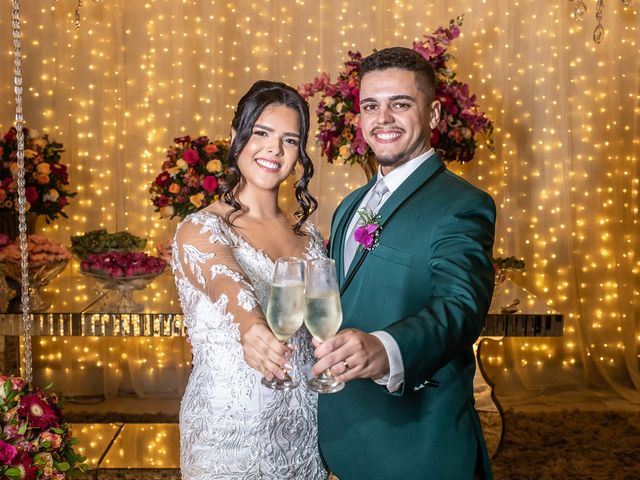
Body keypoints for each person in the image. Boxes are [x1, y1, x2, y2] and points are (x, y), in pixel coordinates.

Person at [313, 47, 496, 479]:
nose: (383, 118)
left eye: (400, 104)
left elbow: (460, 308)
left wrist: (384, 347)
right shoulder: (348, 206)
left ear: (433, 115)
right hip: (344, 433)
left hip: (417, 444)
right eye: (371, 106)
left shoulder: (462, 205)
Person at [172, 80, 327, 479]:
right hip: (230, 438)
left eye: (289, 140)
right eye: (261, 133)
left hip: (306, 434)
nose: (274, 149)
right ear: (235, 137)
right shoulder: (201, 229)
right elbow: (228, 284)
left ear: (299, 153)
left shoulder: (310, 236)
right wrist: (252, 327)